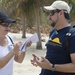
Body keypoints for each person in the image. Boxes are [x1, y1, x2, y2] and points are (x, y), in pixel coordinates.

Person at [31, 0, 75, 75]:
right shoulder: (53, 32)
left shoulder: (73, 35)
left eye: (51, 13)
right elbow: (52, 53)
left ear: (61, 13)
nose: (49, 17)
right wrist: (41, 60)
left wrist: (52, 67)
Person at [0, 10, 31, 75]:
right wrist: (13, 51)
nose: (8, 28)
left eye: (8, 25)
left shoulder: (9, 38)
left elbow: (18, 60)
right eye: (5, 25)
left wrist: (24, 48)